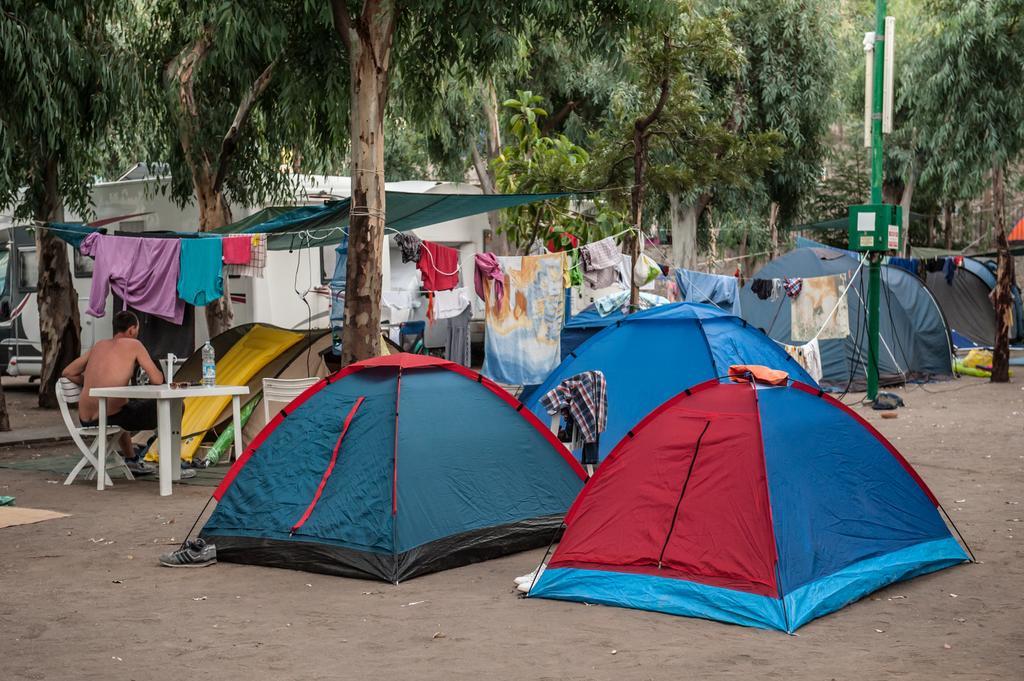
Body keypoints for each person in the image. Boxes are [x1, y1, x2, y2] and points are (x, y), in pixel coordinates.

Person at [62, 311, 163, 474]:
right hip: (108, 418)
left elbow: (68, 372)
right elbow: (157, 380)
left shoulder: (99, 346)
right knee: (173, 407)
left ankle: (131, 460)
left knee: (124, 407)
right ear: (131, 330)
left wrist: (91, 382)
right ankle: (175, 463)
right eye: (137, 330)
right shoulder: (134, 345)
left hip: (86, 420)